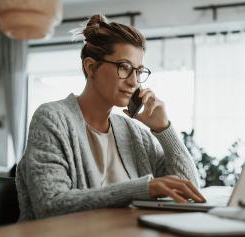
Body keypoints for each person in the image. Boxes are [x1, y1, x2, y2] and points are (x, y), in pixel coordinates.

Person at [16, 14, 205, 221]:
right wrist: (141, 189)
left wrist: (164, 129)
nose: (134, 82)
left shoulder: (135, 133)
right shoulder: (52, 119)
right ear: (90, 67)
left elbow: (189, 191)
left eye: (139, 71)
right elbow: (50, 204)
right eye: (124, 67)